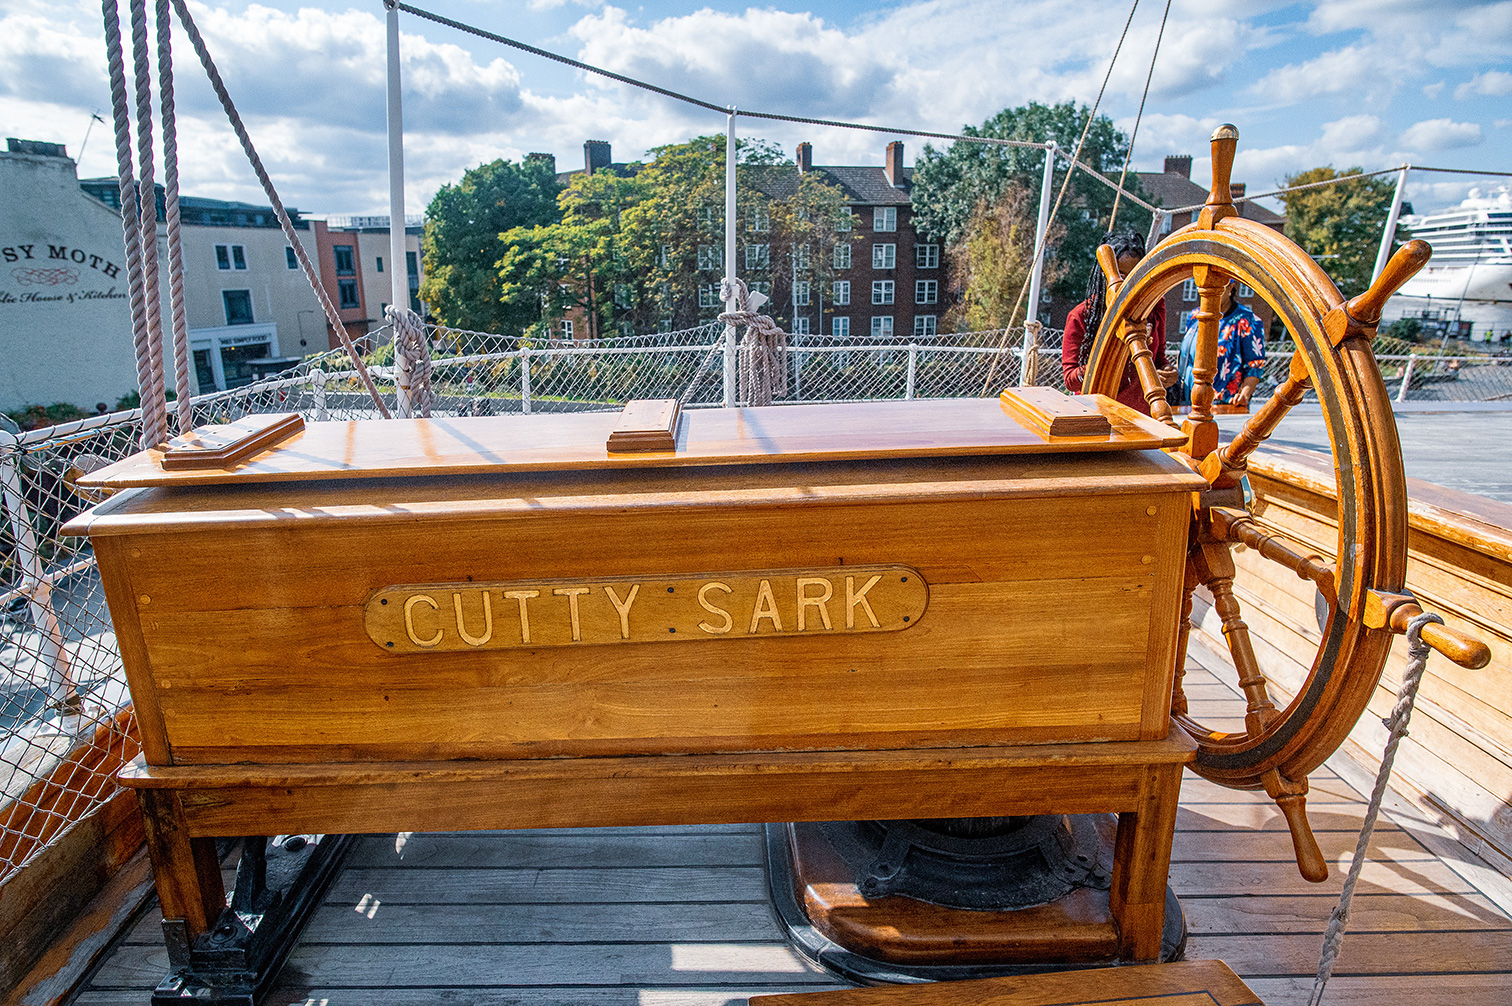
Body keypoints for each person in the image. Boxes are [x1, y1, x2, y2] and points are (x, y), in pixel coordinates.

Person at [1061, 230, 1174, 415]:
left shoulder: (1155, 307)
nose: (1126, 285)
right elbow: (1070, 379)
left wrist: (1168, 372)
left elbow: (1160, 359)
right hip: (1096, 417)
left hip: (1143, 418)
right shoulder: (1081, 316)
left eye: (1134, 276)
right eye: (1120, 276)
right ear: (1104, 274)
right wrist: (1110, 354)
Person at [1177, 279, 1266, 409]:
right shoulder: (1194, 316)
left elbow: (1254, 366)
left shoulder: (1247, 320)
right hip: (1187, 399)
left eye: (1216, 287)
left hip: (1224, 404)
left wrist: (1244, 395)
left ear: (1230, 287)